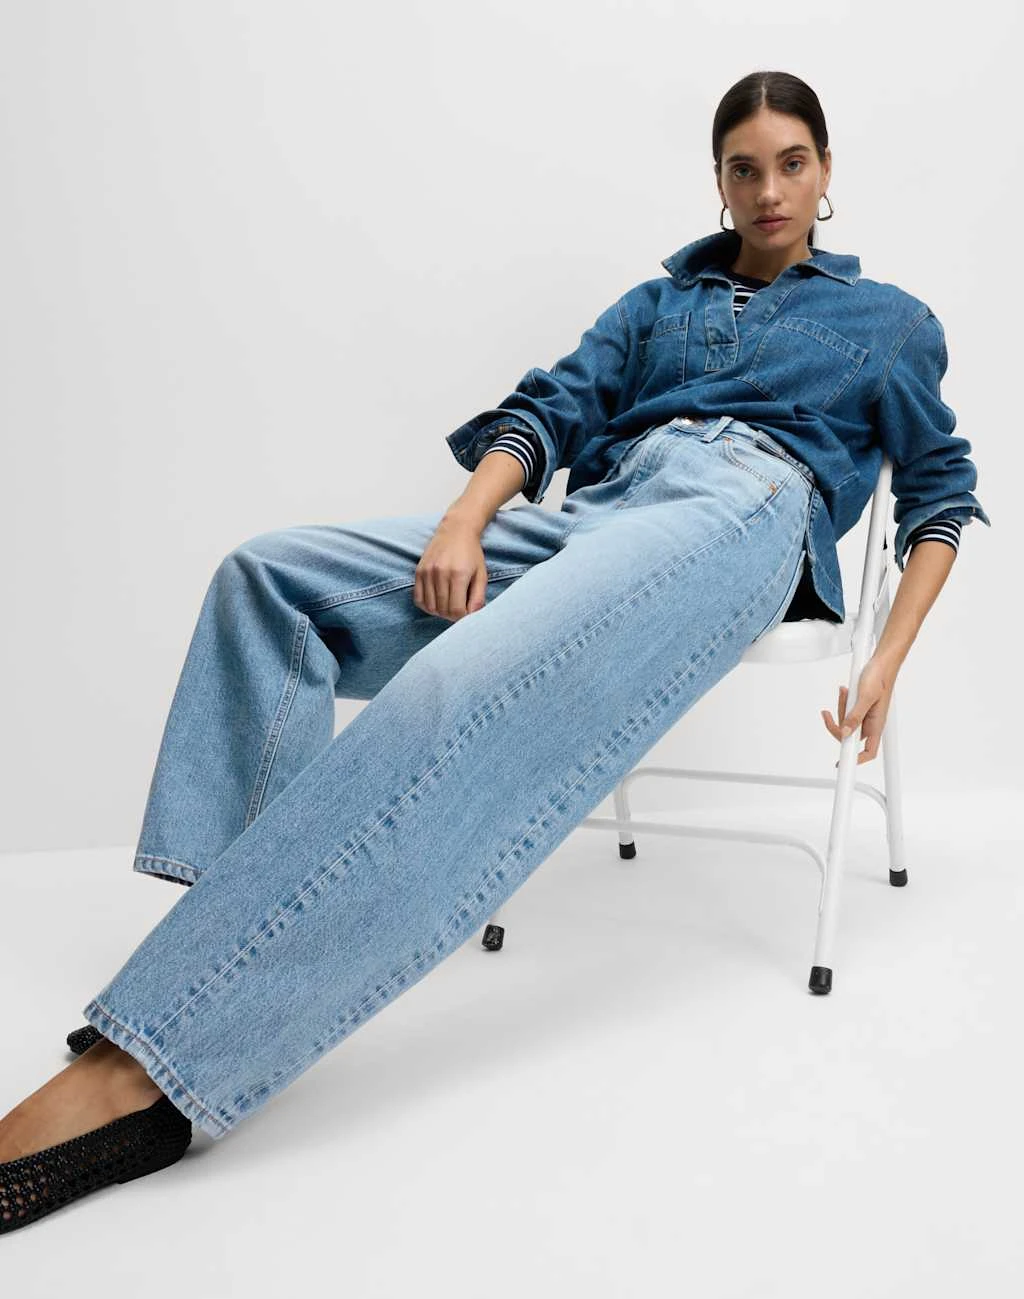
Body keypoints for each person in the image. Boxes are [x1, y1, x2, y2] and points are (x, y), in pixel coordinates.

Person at [0, 69, 991, 1233]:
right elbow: (551, 406)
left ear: (825, 174)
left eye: (791, 163)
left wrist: (885, 658)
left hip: (741, 510)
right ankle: (224, 954)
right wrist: (464, 520)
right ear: (716, 181)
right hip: (600, 511)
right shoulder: (655, 303)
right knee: (268, 581)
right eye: (743, 167)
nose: (768, 189)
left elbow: (938, 495)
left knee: (454, 685)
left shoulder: (888, 323)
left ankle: (150, 1066)